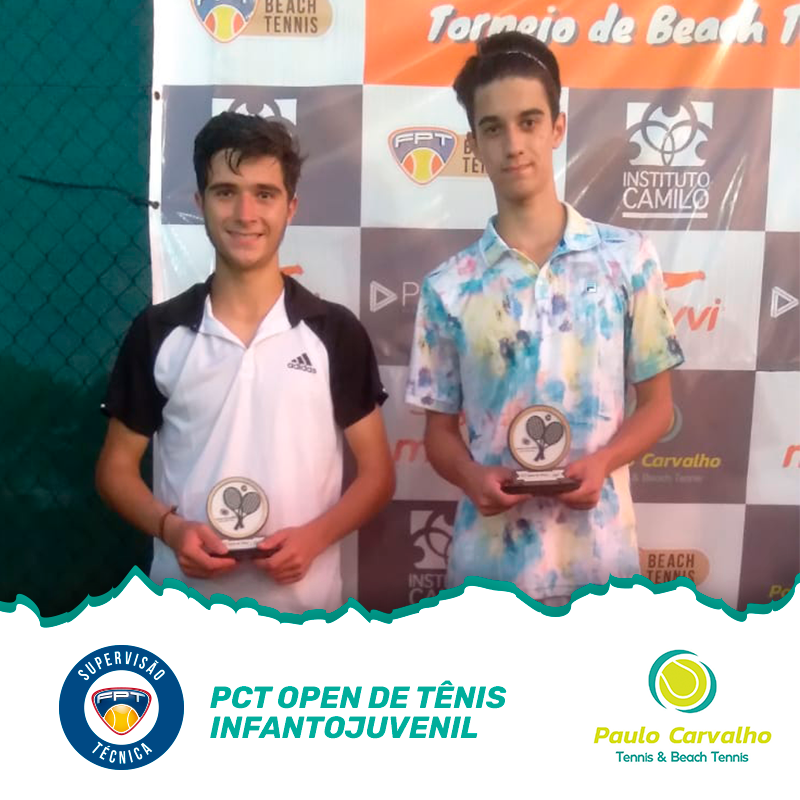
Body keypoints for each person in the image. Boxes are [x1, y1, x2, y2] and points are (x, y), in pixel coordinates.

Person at [405, 32, 684, 607]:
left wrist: (603, 463)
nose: (513, 144)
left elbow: (658, 408)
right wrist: (471, 477)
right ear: (475, 144)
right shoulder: (448, 287)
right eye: (493, 128)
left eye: (529, 122)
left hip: (602, 569)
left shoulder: (628, 259)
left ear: (557, 128)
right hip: (488, 577)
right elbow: (438, 436)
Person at [96, 112, 394, 613]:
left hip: (304, 617)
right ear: (200, 203)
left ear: (291, 206)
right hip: (186, 614)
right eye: (225, 192)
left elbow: (378, 475)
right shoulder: (159, 331)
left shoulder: (334, 332)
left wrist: (316, 538)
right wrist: (171, 529)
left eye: (264, 193)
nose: (245, 212)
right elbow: (115, 470)